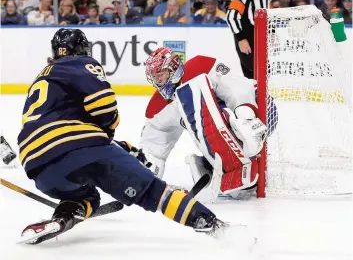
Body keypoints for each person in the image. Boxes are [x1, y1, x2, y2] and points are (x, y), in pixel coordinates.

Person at [18, 28, 227, 245]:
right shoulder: (81, 63)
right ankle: (216, 226)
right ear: (81, 49)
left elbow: (54, 130)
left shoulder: (42, 77)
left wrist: (111, 145)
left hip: (38, 166)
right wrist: (106, 139)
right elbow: (104, 106)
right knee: (154, 191)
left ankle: (61, 219)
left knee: (86, 198)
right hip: (80, 148)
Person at [139, 47, 269, 202]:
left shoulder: (200, 66)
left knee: (235, 123)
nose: (157, 81)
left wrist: (246, 115)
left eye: (160, 74)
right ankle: (211, 164)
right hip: (228, 139)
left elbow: (235, 87)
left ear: (173, 69)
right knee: (204, 124)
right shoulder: (158, 106)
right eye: (154, 76)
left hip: (258, 108)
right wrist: (143, 174)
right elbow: (154, 143)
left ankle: (236, 160)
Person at [226, 0, 271, 79]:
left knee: (265, 79)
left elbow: (266, 13)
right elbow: (232, 16)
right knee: (257, 78)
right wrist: (241, 39)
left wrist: (271, 32)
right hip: (248, 41)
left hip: (263, 40)